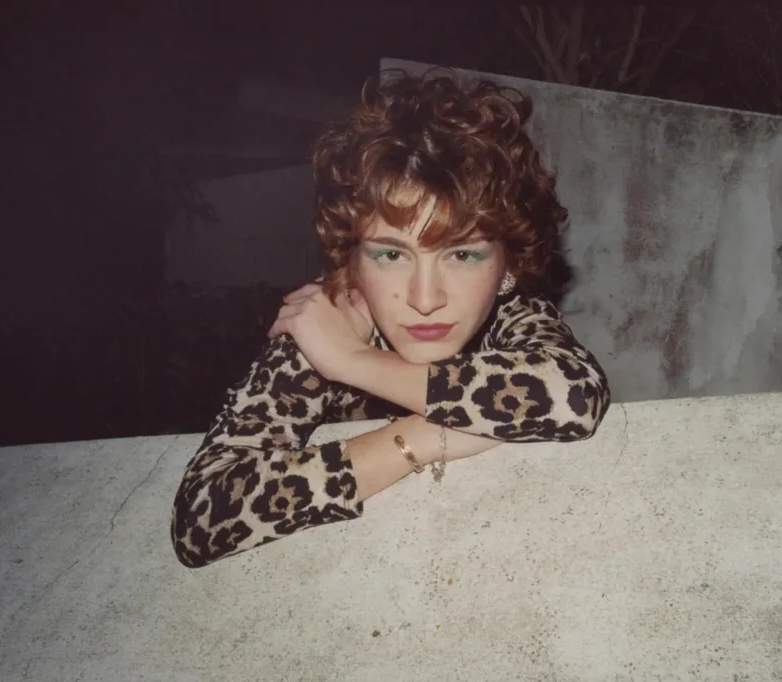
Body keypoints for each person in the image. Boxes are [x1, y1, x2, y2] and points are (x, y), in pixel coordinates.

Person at [170, 69, 611, 569]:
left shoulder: (511, 309)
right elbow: (201, 519)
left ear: (507, 266)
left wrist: (354, 363)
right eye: (391, 255)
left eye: (462, 255)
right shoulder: (330, 322)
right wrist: (421, 438)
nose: (426, 299)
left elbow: (574, 395)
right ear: (350, 261)